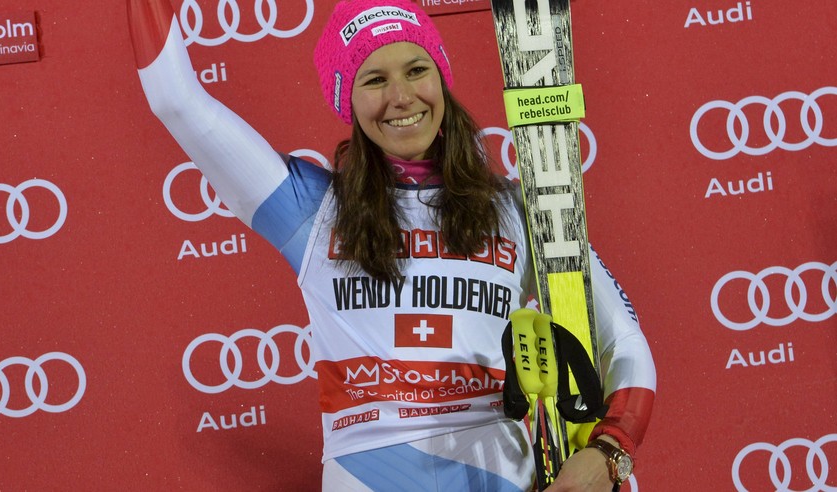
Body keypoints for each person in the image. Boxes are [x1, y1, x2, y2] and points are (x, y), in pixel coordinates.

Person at [126, 0, 656, 490]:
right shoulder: (307, 208)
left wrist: (610, 450)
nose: (401, 97)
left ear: (441, 79)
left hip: (501, 472)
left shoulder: (517, 210)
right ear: (346, 98)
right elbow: (176, 99)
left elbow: (625, 343)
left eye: (416, 70)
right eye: (374, 79)